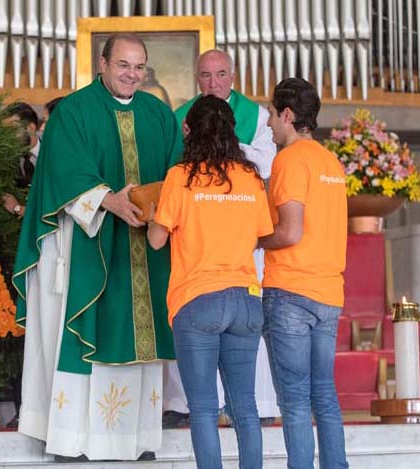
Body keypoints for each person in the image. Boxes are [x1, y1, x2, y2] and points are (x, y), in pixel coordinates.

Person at [11, 33, 180, 462]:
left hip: (147, 246)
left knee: (142, 334)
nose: (132, 75)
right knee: (87, 329)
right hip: (90, 240)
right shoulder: (74, 111)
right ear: (102, 64)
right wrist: (109, 201)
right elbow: (64, 170)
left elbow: (178, 172)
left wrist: (160, 205)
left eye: (140, 67)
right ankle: (74, 439)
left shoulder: (159, 114)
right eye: (123, 65)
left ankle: (135, 438)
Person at [148, 95, 272, 469]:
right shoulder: (250, 178)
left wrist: (154, 213)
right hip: (246, 299)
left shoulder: (179, 177)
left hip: (197, 299)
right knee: (245, 408)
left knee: (202, 410)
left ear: (187, 130)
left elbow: (156, 240)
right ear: (231, 132)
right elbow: (259, 235)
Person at [164, 48, 279, 429]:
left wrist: (217, 148)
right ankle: (179, 401)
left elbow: (268, 164)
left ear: (233, 76)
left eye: (220, 75)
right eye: (205, 76)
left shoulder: (258, 116)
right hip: (199, 247)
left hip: (235, 250)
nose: (213, 83)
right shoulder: (180, 116)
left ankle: (260, 404)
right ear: (196, 79)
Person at [259, 78, 348, 468]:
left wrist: (256, 238)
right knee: (324, 394)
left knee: (294, 399)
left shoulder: (289, 160)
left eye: (273, 117)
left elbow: (290, 232)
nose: (269, 126)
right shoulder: (331, 162)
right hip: (328, 292)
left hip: (291, 290)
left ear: (289, 115)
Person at [1, 101, 40, 218]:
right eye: (5, 130)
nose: (9, 135)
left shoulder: (53, 156)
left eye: (13, 129)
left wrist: (18, 209)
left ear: (31, 127)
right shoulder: (5, 161)